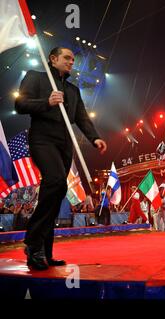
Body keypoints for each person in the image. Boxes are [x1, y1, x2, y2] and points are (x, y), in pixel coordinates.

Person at [15, 47, 107, 270]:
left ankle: (45, 252)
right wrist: (46, 102)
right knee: (55, 180)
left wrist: (95, 138)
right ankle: (33, 242)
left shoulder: (73, 91)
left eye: (73, 59)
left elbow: (82, 118)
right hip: (42, 140)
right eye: (67, 58)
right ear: (53, 59)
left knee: (57, 193)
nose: (71, 62)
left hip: (65, 145)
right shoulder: (35, 77)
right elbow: (19, 105)